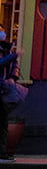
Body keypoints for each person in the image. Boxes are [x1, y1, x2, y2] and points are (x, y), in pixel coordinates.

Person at [0, 23, 19, 161]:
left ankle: (2, 152)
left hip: (3, 89)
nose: (3, 33)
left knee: (3, 122)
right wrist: (14, 55)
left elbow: (14, 66)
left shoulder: (7, 48)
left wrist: (13, 77)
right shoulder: (9, 52)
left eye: (3, 30)